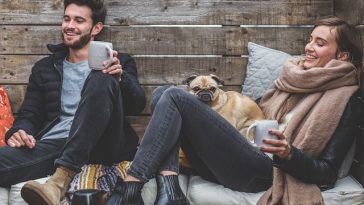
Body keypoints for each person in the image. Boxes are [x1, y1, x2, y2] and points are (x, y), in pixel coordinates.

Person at [105, 16, 363, 205]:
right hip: (241, 155)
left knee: (174, 96)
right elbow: (258, 113)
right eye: (310, 40)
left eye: (320, 43)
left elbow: (327, 173)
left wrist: (288, 154)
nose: (308, 47)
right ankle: (171, 189)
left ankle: (130, 187)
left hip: (265, 172)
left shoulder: (345, 98)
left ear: (342, 57)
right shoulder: (295, 78)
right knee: (164, 93)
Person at [0, 0, 146, 204]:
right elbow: (29, 115)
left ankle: (60, 180)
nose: (69, 26)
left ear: (96, 28)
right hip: (56, 146)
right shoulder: (45, 68)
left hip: (102, 143)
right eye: (66, 19)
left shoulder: (118, 61)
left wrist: (121, 79)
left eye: (79, 20)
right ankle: (64, 168)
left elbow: (137, 105)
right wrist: (18, 132)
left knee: (102, 76)